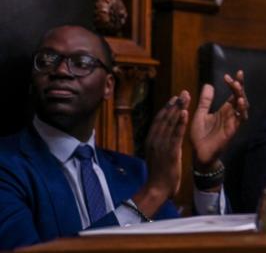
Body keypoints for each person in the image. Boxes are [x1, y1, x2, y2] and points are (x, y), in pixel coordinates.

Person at [0, 25, 248, 248]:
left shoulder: (136, 172)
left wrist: (207, 173)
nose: (61, 71)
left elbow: (190, 246)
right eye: (47, 60)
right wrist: (152, 194)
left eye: (82, 62)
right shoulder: (7, 166)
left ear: (108, 85)